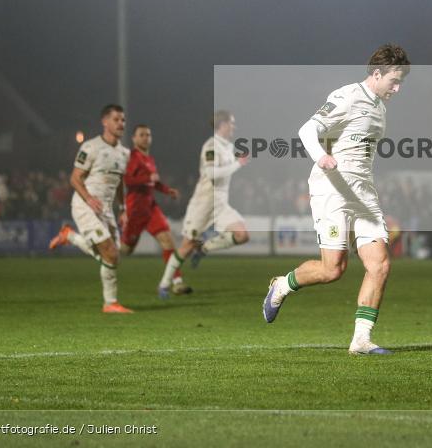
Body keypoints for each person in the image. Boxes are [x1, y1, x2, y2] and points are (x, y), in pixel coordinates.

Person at [262, 44, 410, 355]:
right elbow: (307, 130)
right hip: (333, 190)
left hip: (364, 193)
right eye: (394, 81)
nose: (397, 88)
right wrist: (321, 157)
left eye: (401, 83)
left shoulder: (380, 106)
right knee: (333, 270)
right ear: (376, 73)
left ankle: (361, 340)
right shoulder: (346, 97)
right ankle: (282, 285)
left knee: (381, 264)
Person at [48, 104, 133, 313]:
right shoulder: (91, 147)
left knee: (114, 257)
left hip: (106, 209)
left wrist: (123, 208)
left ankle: (70, 237)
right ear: (105, 122)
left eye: (123, 120)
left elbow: (120, 182)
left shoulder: (124, 153)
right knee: (111, 254)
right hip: (85, 205)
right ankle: (110, 303)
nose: (121, 123)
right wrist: (88, 198)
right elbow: (74, 178)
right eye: (116, 119)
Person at [157, 111, 250, 298]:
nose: (234, 126)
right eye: (231, 123)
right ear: (222, 124)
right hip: (203, 204)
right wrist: (237, 165)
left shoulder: (228, 147)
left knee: (242, 235)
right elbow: (211, 174)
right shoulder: (210, 146)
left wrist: (236, 162)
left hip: (221, 204)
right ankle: (164, 285)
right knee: (186, 246)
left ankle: (204, 248)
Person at [119, 124, 189, 294]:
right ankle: (90, 244)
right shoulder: (132, 157)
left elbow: (153, 182)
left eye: (148, 135)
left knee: (168, 240)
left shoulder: (149, 159)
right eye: (141, 135)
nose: (145, 138)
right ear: (134, 139)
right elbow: (127, 181)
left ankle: (177, 282)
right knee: (124, 250)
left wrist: (167, 190)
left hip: (151, 208)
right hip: (135, 210)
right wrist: (146, 178)